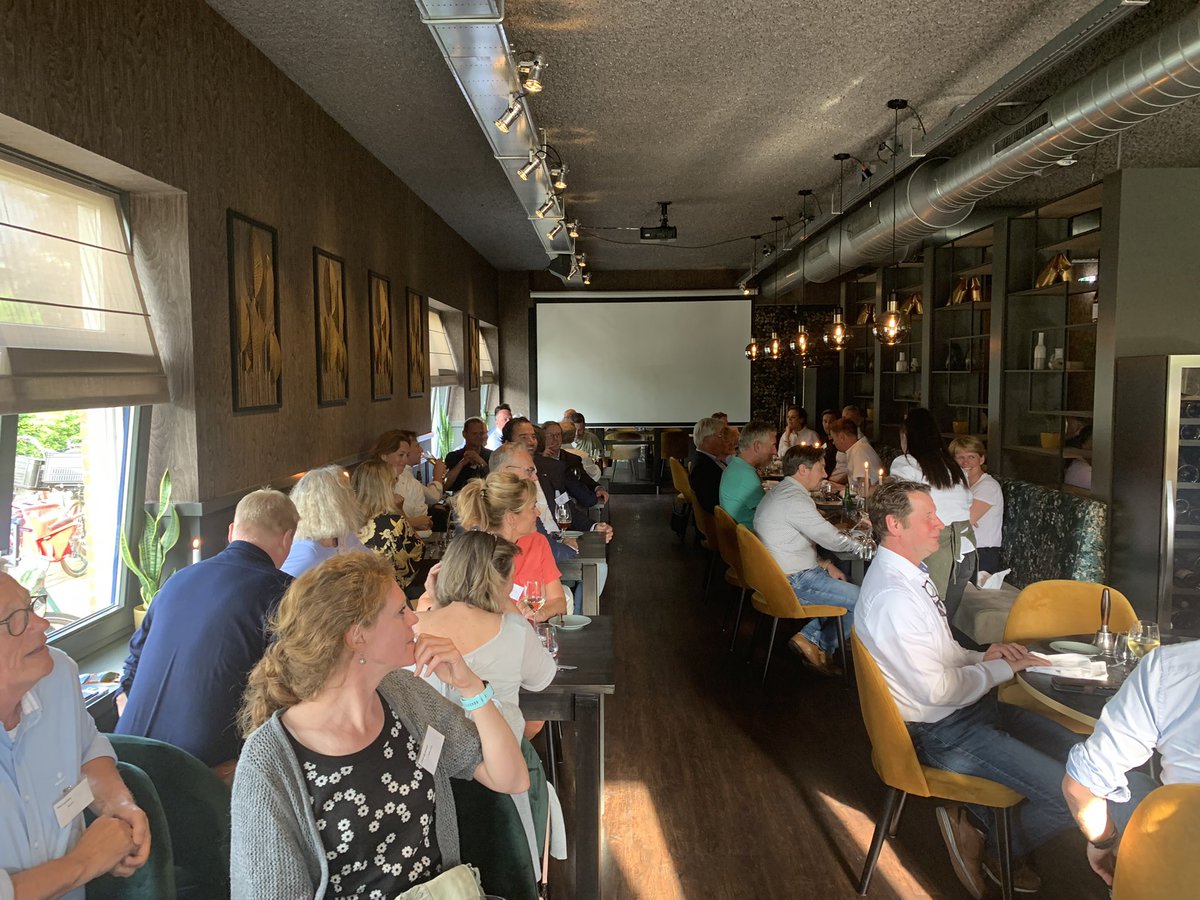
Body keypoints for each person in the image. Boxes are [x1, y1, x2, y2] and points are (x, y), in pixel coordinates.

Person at [231, 553, 528, 900]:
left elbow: (512, 778)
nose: (415, 618)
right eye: (401, 611)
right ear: (357, 636)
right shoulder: (269, 763)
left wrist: (471, 687)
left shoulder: (405, 697)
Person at [856, 481, 1080, 898]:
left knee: (1085, 757)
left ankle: (982, 823)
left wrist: (984, 657)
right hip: (943, 731)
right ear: (894, 524)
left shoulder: (907, 575)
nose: (940, 524)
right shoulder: (893, 597)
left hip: (966, 710)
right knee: (1073, 792)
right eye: (929, 517)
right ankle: (989, 839)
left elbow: (942, 652)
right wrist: (1002, 671)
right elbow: (938, 690)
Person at [117, 489, 298, 770]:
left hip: (125, 757)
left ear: (231, 532)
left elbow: (130, 669)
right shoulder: (287, 593)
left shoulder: (176, 582)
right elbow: (291, 689)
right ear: (288, 539)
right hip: (201, 775)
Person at [1, 573, 151, 899]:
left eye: (31, 606)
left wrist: (118, 804)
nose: (42, 623)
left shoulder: (56, 674)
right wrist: (85, 861)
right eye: (16, 620)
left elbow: (87, 753)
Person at [1061, 640, 1200, 886]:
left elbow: (1080, 787)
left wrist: (1104, 840)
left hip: (1182, 868)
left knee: (1130, 788)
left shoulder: (1171, 668)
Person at [416, 531, 556, 739]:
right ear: (501, 582)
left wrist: (437, 605)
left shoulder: (410, 625)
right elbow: (542, 679)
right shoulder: (515, 629)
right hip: (496, 756)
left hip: (422, 760)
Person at [753, 445, 858, 677]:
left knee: (845, 579)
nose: (825, 474)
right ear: (803, 469)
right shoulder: (795, 501)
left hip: (783, 574)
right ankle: (812, 640)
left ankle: (820, 640)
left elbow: (795, 543)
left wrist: (824, 563)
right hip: (793, 582)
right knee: (865, 601)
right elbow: (833, 541)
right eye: (821, 467)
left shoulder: (782, 492)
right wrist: (866, 542)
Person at [890, 408, 975, 627]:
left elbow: (898, 505)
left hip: (931, 553)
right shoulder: (954, 467)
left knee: (921, 623)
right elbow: (966, 505)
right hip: (964, 554)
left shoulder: (905, 464)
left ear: (907, 436)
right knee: (943, 625)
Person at [455, 471, 569, 622]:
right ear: (511, 518)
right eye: (532, 507)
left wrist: (542, 613)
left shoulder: (537, 542)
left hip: (528, 636)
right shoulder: (475, 549)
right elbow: (429, 602)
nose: (538, 512)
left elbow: (559, 602)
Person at [351, 459, 426, 597]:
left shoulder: (348, 523)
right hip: (392, 593)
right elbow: (418, 554)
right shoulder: (394, 523)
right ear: (386, 488)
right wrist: (400, 511)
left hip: (361, 593)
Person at [280, 466, 366, 577]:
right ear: (334, 505)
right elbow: (281, 590)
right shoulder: (306, 552)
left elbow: (374, 566)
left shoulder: (344, 537)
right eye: (348, 493)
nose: (354, 496)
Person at [950, 436, 1004, 576]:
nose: (965, 462)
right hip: (962, 548)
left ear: (981, 459)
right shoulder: (959, 485)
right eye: (960, 457)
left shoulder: (988, 486)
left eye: (971, 457)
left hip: (982, 552)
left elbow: (966, 522)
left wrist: (958, 513)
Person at [370, 429, 434, 534]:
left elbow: (424, 524)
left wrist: (421, 523)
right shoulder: (371, 484)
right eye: (401, 455)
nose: (405, 460)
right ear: (384, 456)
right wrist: (412, 522)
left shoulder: (412, 485)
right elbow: (373, 525)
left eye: (407, 455)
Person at [718, 420, 776, 527]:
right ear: (757, 446)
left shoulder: (736, 465)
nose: (775, 451)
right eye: (772, 445)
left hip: (738, 534)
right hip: (750, 539)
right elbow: (772, 514)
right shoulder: (746, 475)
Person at [828, 417, 882, 486]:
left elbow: (864, 488)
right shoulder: (857, 448)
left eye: (833, 439)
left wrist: (839, 488)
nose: (833, 443)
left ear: (842, 437)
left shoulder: (859, 452)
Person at [689, 417, 727, 514]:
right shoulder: (702, 468)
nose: (724, 439)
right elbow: (711, 504)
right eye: (720, 435)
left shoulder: (707, 458)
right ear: (707, 440)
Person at [545, 419, 601, 484]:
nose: (555, 438)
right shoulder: (582, 456)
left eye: (557, 434)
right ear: (573, 436)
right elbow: (594, 475)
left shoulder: (545, 455)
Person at [444, 417, 492, 492]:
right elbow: (445, 485)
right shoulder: (453, 456)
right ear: (464, 434)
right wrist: (461, 463)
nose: (479, 437)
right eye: (474, 433)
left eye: (481, 433)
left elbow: (494, 482)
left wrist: (480, 461)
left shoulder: (491, 456)